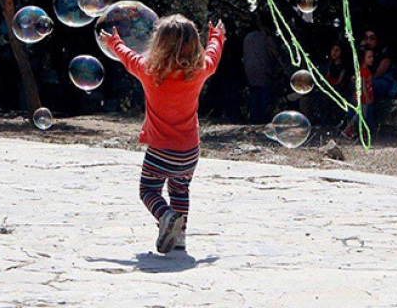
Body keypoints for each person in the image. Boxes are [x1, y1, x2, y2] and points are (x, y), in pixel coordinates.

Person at [99, 15, 225, 254]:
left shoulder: (148, 70)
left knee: (148, 190)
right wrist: (217, 36)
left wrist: (114, 42)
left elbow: (127, 57)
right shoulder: (200, 70)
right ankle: (180, 237)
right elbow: (214, 55)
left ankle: (166, 216)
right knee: (180, 190)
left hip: (160, 150)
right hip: (189, 151)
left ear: (158, 43)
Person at [242, 24, 281, 123]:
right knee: (264, 92)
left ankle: (254, 117)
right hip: (264, 67)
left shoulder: (248, 37)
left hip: (249, 67)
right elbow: (275, 53)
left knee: (254, 92)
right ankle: (263, 117)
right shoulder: (266, 37)